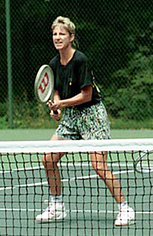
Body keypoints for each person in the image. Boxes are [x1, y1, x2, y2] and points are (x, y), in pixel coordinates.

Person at [36, 16, 134, 226]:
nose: (57, 37)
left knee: (98, 165)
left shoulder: (80, 60)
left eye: (62, 33)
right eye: (54, 34)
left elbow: (86, 95)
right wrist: (55, 105)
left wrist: (61, 104)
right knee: (48, 159)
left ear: (71, 37)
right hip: (71, 118)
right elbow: (54, 90)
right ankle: (56, 206)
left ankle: (125, 208)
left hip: (92, 116)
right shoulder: (53, 63)